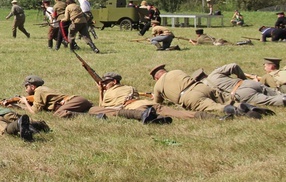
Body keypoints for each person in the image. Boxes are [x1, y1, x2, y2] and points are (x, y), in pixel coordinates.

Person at [89, 72, 220, 121]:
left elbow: (103, 107)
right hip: (147, 102)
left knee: (147, 116)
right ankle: (214, 118)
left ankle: (158, 120)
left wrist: (101, 92)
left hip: (134, 108)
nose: (104, 85)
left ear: (114, 82)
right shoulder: (129, 87)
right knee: (182, 114)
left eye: (106, 83)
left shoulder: (109, 93)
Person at [150, 64, 236, 115]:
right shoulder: (177, 71)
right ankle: (243, 106)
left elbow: (157, 103)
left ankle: (234, 110)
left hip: (190, 97)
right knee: (226, 99)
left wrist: (155, 96)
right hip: (200, 86)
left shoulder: (157, 85)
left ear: (156, 78)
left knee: (213, 106)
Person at [198, 63, 285, 107]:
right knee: (275, 92)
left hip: (240, 95)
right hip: (245, 83)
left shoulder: (202, 88)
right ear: (205, 74)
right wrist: (243, 78)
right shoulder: (214, 74)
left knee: (270, 100)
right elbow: (233, 65)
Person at [15, 75, 93, 118]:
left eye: (26, 87)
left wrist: (25, 101)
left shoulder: (38, 91)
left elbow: (35, 112)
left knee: (58, 114)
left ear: (32, 86)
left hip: (75, 100)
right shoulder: (41, 89)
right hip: (79, 101)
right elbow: (37, 107)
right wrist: (18, 106)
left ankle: (88, 116)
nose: (25, 90)